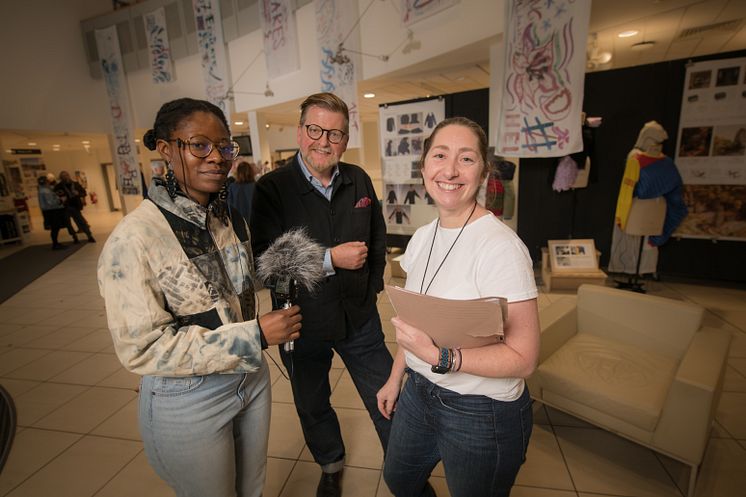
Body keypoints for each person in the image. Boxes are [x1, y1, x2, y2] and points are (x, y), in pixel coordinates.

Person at [97, 97, 302, 497]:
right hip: (192, 396)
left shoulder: (229, 218)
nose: (217, 158)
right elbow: (141, 348)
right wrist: (255, 335)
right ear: (166, 149)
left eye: (225, 146)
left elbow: (229, 297)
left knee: (252, 488)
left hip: (249, 376)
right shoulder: (134, 239)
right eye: (199, 145)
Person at [377, 117, 540, 497]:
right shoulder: (421, 238)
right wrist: (395, 376)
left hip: (482, 410)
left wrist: (441, 356)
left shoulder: (501, 248)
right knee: (400, 480)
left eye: (466, 159)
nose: (450, 170)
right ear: (424, 167)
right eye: (440, 155)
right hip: (419, 393)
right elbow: (416, 324)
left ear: (483, 171)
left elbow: (524, 358)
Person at [251, 92, 393, 497]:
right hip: (301, 321)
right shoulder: (272, 188)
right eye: (315, 129)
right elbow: (264, 262)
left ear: (346, 140)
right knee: (312, 403)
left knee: (387, 394)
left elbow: (378, 237)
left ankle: (405, 470)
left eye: (335, 133)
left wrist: (372, 286)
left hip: (358, 316)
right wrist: (330, 258)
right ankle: (330, 464)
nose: (323, 141)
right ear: (299, 132)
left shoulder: (358, 179)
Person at [54, 170, 95, 242]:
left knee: (81, 221)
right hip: (65, 207)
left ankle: (89, 235)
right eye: (63, 176)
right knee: (68, 224)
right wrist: (60, 199)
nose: (65, 177)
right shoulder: (58, 186)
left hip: (75, 206)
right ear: (61, 178)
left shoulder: (75, 184)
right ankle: (74, 237)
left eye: (66, 175)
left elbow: (83, 192)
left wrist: (78, 193)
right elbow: (55, 196)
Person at [37, 175, 69, 250]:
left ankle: (55, 243)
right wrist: (61, 200)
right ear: (46, 182)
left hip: (49, 211)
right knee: (55, 227)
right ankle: (55, 244)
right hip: (52, 211)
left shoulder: (42, 190)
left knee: (55, 228)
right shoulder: (45, 191)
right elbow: (51, 202)